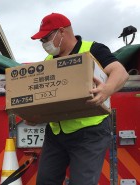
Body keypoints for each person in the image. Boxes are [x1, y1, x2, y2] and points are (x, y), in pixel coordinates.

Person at [30, 13, 129, 185]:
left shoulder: (93, 49)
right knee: (45, 181)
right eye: (41, 41)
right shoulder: (48, 61)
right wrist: (36, 114)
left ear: (61, 32)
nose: (44, 44)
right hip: (56, 133)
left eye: (46, 38)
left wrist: (106, 90)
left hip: (89, 132)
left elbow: (120, 72)